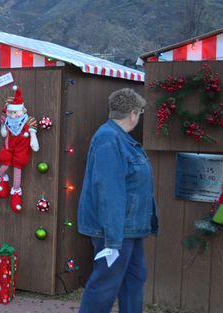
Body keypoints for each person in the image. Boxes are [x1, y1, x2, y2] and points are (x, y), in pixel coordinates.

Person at [77, 88, 158, 313]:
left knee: (134, 279)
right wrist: (113, 241)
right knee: (105, 285)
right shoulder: (108, 138)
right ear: (132, 113)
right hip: (115, 231)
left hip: (130, 229)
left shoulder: (120, 138)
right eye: (140, 112)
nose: (139, 117)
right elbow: (109, 190)